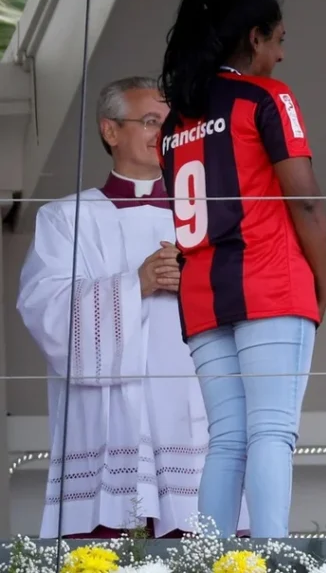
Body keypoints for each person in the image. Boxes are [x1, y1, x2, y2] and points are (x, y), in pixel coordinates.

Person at [157, 0, 326, 538]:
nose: (280, 55)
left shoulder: (171, 124)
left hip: (202, 293)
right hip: (270, 282)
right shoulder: (265, 97)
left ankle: (213, 557)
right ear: (253, 38)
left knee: (227, 438)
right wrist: (321, 282)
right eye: (277, 40)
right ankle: (271, 556)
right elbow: (305, 199)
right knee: (272, 432)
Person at [17, 77, 213, 538]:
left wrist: (197, 283)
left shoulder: (203, 216)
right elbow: (45, 310)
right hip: (106, 421)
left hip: (188, 411)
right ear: (109, 131)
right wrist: (136, 284)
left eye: (170, 124)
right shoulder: (66, 218)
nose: (161, 135)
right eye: (149, 122)